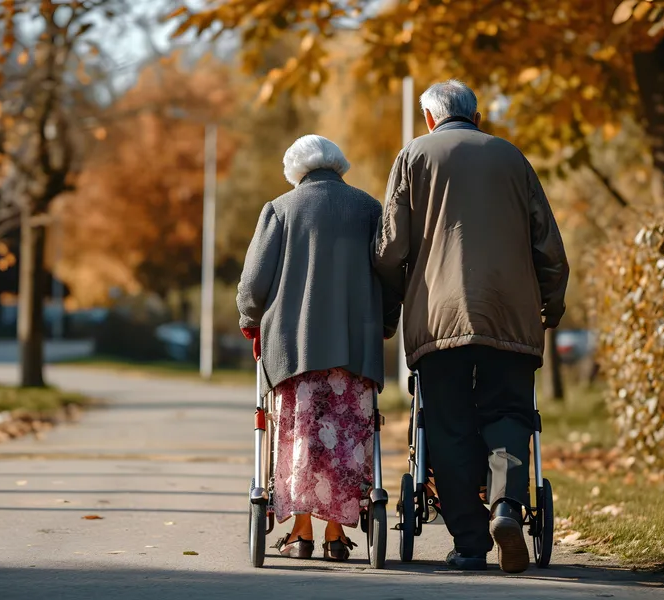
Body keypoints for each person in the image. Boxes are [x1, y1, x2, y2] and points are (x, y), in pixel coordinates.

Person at [373, 80, 569, 574]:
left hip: (440, 320)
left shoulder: (414, 157)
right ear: (475, 116)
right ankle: (506, 505)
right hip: (510, 313)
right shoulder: (513, 158)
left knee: (449, 425)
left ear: (430, 118)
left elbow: (390, 249)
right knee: (508, 413)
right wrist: (550, 305)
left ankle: (470, 541)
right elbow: (548, 245)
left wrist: (390, 312)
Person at [237, 135, 389, 562]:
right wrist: (387, 322)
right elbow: (388, 275)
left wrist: (250, 320)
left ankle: (300, 533)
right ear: (338, 165)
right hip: (355, 348)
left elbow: (252, 285)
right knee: (346, 439)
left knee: (300, 436)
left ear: (295, 170)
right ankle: (336, 536)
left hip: (294, 349)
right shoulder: (369, 209)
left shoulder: (280, 210)